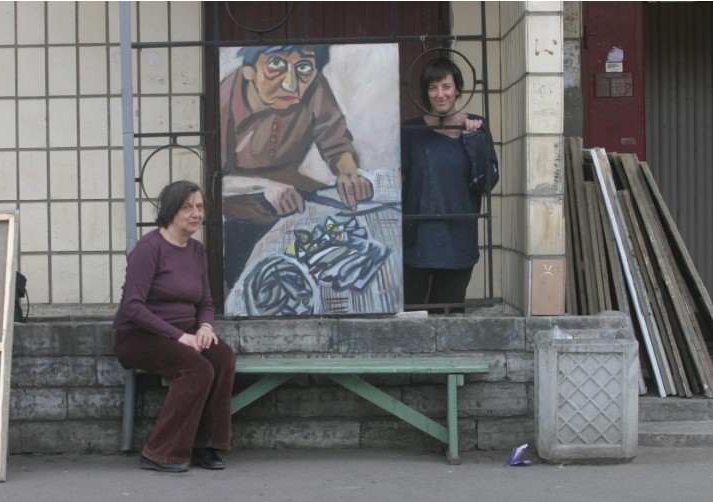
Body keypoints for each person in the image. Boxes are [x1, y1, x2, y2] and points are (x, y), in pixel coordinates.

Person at [219, 44, 373, 288]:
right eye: (276, 65)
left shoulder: (313, 85)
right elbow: (212, 181)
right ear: (250, 71)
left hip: (296, 207)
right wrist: (264, 187)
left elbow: (335, 141)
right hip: (240, 218)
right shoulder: (224, 100)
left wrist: (349, 173)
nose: (291, 83)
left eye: (303, 67)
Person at [114, 181, 235, 473]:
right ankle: (160, 452)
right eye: (187, 207)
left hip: (184, 332)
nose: (196, 214)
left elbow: (205, 301)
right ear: (170, 211)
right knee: (197, 368)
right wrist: (179, 336)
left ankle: (204, 446)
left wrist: (205, 327)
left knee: (222, 356)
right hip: (139, 335)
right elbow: (133, 306)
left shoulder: (196, 251)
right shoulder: (149, 248)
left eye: (200, 207)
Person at [401, 57, 499, 313]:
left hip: (458, 240)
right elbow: (393, 179)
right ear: (425, 93)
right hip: (417, 241)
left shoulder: (476, 127)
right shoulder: (411, 131)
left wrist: (473, 141)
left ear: (458, 89)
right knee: (410, 317)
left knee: (449, 317)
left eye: (446, 86)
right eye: (433, 88)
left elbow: (487, 183)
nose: (440, 94)